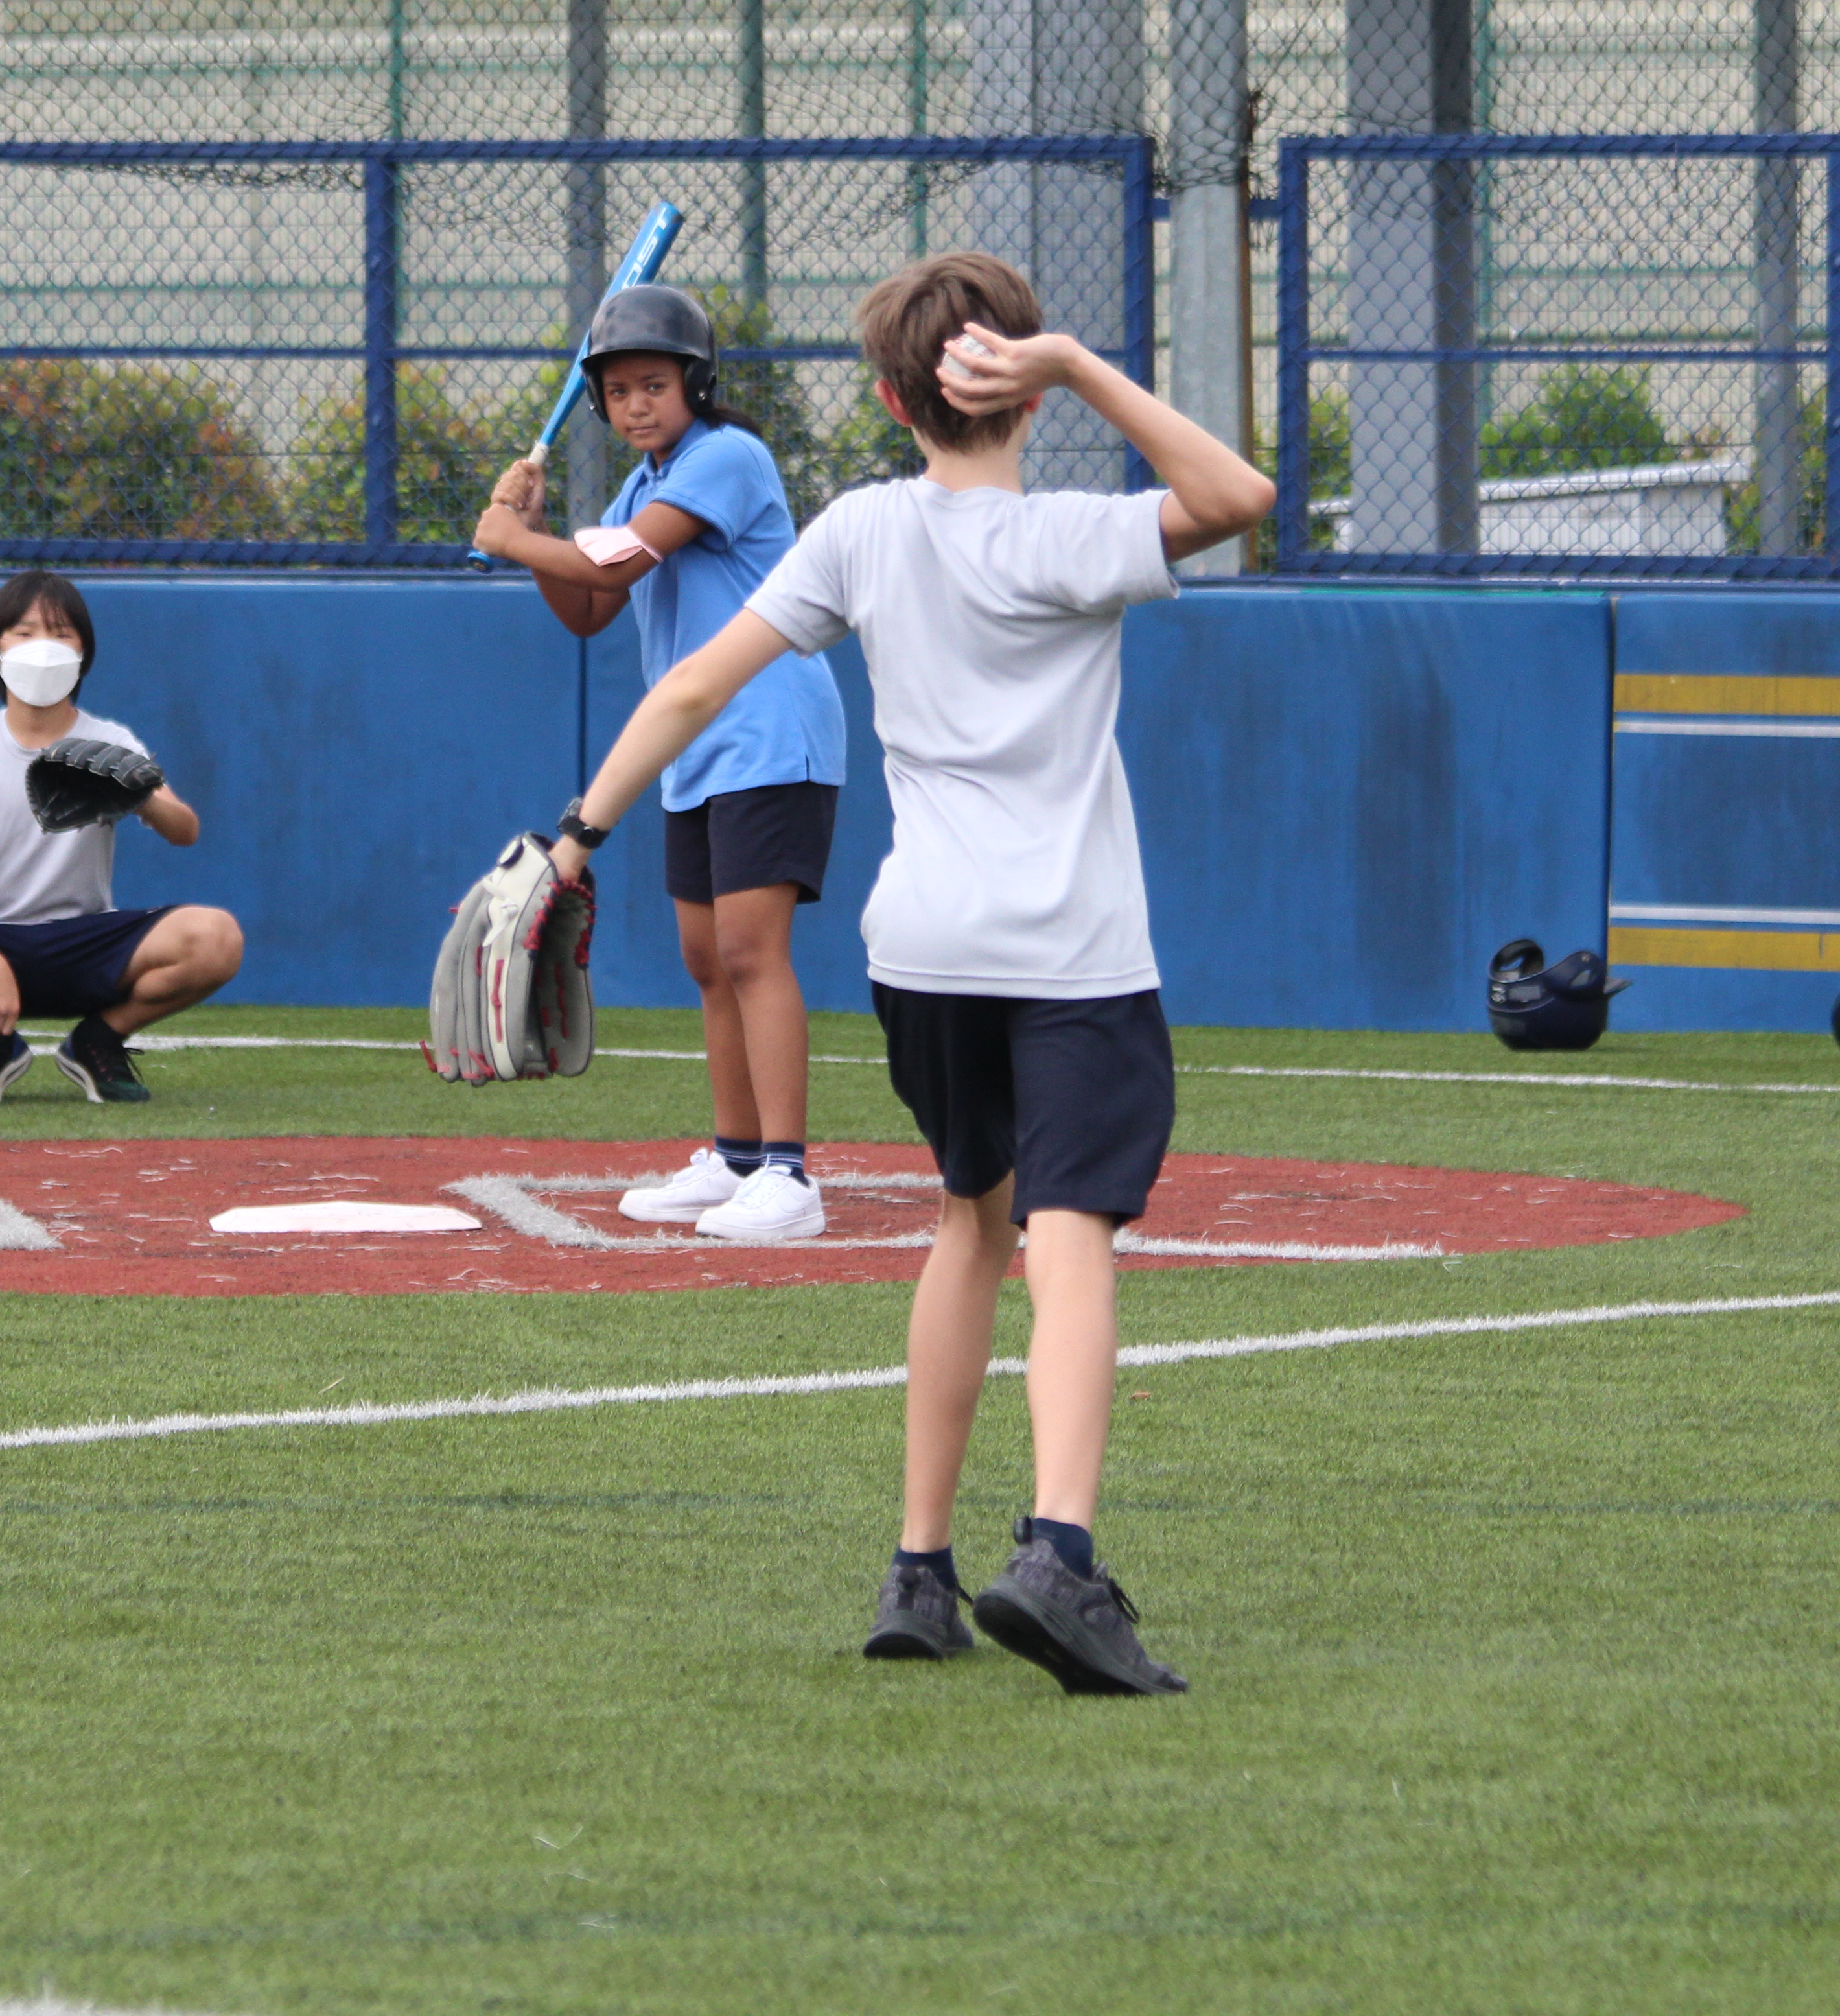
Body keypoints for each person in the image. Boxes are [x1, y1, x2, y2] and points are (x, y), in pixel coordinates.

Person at [540, 252, 1270, 1693]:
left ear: (888, 398)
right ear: (1008, 382)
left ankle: (919, 1571)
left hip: (922, 949)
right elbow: (1239, 497)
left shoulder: (864, 528)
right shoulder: (1075, 529)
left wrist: (573, 836)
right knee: (1067, 1244)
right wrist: (1074, 366)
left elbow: (690, 686)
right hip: (1071, 950)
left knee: (965, 1226)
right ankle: (1058, 1555)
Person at [472, 285, 849, 1243]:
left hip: (770, 729)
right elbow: (591, 609)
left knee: (752, 952)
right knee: (705, 961)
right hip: (694, 747)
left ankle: (790, 1176)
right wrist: (535, 541)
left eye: (655, 383)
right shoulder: (640, 486)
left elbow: (611, 571)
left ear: (696, 384)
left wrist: (514, 536)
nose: (637, 403)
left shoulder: (727, 458)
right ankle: (734, 1155)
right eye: (619, 391)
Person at [0, 571, 244, 1105]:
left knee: (216, 936)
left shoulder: (110, 740)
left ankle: (99, 1039)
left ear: (84, 650)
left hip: (87, 941)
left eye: (61, 632)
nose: (43, 647)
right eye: (24, 631)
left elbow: (186, 831)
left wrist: (140, 794)